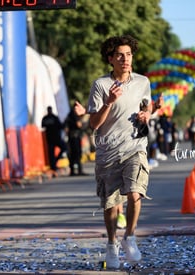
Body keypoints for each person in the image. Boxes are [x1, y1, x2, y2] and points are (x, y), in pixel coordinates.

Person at [87, 35, 160, 269]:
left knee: (135, 192)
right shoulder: (100, 85)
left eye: (128, 54)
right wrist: (108, 102)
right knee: (110, 204)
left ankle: (129, 236)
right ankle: (111, 244)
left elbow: (146, 108)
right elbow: (93, 124)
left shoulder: (143, 82)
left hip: (135, 147)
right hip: (108, 151)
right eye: (120, 55)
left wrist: (147, 114)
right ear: (111, 58)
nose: (125, 59)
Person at [41, 106, 67, 172]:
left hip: (52, 138)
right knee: (53, 153)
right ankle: (53, 166)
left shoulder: (49, 118)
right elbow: (61, 126)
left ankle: (54, 163)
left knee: (61, 149)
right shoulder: (51, 118)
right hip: (53, 138)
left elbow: (43, 126)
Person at [65, 102, 87, 176]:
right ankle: (79, 171)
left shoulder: (69, 115)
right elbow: (79, 125)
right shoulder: (75, 115)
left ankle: (73, 171)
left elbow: (65, 127)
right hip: (75, 137)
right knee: (77, 154)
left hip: (71, 137)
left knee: (72, 154)